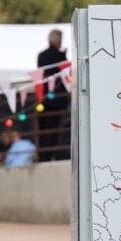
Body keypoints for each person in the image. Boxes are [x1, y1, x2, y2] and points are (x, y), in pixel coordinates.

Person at [37, 28, 71, 160]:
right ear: (57, 40)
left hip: (44, 98)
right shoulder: (59, 56)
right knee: (54, 129)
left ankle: (43, 155)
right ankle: (50, 155)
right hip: (57, 100)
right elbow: (65, 72)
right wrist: (63, 55)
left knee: (43, 129)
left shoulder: (41, 55)